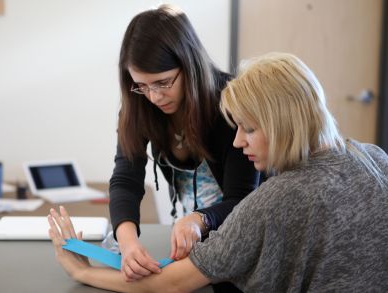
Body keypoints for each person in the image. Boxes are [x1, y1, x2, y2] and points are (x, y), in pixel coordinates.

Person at [48, 52, 388, 292]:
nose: (238, 141)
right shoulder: (374, 157)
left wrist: (83, 270)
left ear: (283, 123)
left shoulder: (276, 199)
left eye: (249, 128)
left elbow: (171, 283)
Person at [109, 4, 259, 287]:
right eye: (141, 85)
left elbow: (244, 200)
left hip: (242, 246)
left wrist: (197, 219)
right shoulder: (140, 107)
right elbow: (125, 180)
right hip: (192, 250)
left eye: (163, 82)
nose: (153, 96)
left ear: (189, 64)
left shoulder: (232, 104)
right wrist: (127, 242)